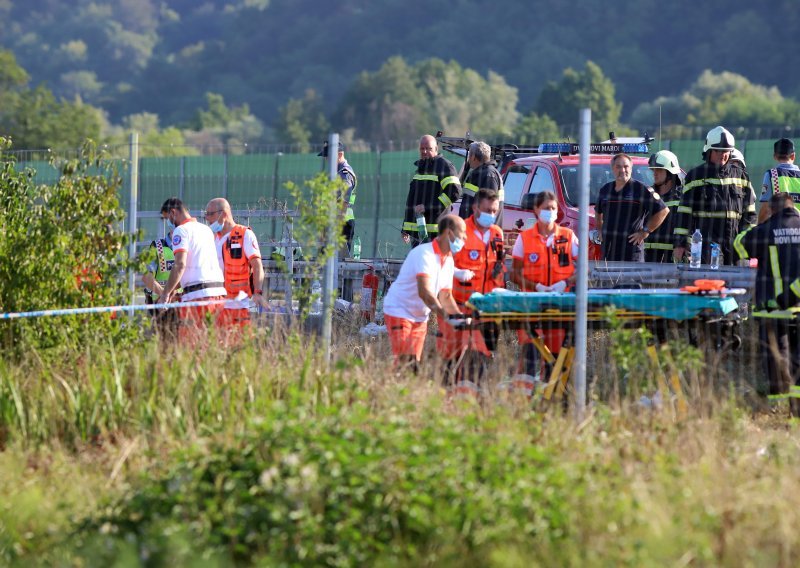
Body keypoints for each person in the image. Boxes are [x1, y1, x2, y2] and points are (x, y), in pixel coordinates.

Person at [734, 191, 800, 403]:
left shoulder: (765, 230)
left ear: (771, 209)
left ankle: (776, 403)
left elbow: (739, 245)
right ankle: (796, 409)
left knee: (774, 356)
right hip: (797, 307)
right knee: (797, 359)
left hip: (772, 308)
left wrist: (760, 222)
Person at [511, 191, 579, 380]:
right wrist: (537, 287)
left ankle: (555, 399)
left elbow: (582, 268)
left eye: (553, 208)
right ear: (536, 210)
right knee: (531, 355)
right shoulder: (524, 238)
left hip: (560, 306)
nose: (550, 212)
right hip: (532, 306)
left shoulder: (568, 236)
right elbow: (514, 274)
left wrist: (565, 283)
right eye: (546, 208)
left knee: (556, 359)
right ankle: (527, 399)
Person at [439, 188, 504, 384]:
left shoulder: (496, 233)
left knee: (483, 355)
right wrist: (457, 273)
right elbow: (442, 263)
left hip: (488, 308)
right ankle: (447, 393)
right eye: (487, 210)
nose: (491, 215)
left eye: (494, 211)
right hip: (460, 305)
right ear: (475, 207)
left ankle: (473, 392)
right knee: (453, 356)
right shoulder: (460, 230)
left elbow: (499, 264)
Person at [383, 215, 465, 369]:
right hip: (399, 311)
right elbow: (425, 293)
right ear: (449, 233)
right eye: (462, 233)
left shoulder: (448, 260)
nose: (465, 237)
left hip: (420, 318)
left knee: (412, 364)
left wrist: (459, 318)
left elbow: (446, 296)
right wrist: (447, 317)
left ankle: (399, 388)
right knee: (406, 362)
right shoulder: (424, 254)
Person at [673, 126, 757, 265]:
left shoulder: (741, 176)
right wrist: (680, 244)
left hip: (735, 245)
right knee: (709, 283)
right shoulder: (695, 176)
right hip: (706, 245)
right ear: (709, 150)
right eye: (718, 151)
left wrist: (748, 243)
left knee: (735, 285)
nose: (722, 155)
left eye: (726, 151)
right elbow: (684, 212)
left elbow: (750, 213)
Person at [156, 197, 227, 345]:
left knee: (191, 348)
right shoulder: (206, 230)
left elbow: (180, 265)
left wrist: (165, 294)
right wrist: (174, 289)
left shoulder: (181, 231)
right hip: (219, 296)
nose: (168, 223)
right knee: (214, 345)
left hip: (197, 299)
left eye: (166, 218)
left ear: (173, 213)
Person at [206, 198, 268, 336]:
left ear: (223, 214)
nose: (207, 218)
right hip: (215, 305)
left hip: (238, 305)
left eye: (210, 214)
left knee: (239, 345)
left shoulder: (245, 235)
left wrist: (257, 292)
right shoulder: (211, 238)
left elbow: (257, 266)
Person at [595, 153, 669, 262]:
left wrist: (645, 232)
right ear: (612, 169)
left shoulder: (641, 189)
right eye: (618, 167)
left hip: (631, 252)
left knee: (631, 280)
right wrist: (600, 230)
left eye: (626, 166)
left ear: (631, 168)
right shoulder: (605, 189)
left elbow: (663, 210)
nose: (622, 170)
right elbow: (598, 212)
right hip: (609, 251)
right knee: (608, 279)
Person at [401, 135, 462, 247]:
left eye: (428, 148)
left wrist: (428, 207)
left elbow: (454, 192)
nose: (424, 151)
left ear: (436, 149)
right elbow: (412, 199)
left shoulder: (444, 166)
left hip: (437, 234)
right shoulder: (420, 169)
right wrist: (406, 227)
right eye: (422, 148)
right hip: (418, 234)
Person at [318, 140, 358, 255]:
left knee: (339, 264)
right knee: (326, 261)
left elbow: (344, 202)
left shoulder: (344, 174)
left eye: (329, 157)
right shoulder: (336, 173)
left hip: (341, 224)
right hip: (332, 223)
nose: (326, 160)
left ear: (340, 155)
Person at [644, 150, 683, 263]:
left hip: (671, 258)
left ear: (670, 173)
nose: (655, 173)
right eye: (653, 170)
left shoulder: (682, 197)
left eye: (659, 170)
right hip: (647, 257)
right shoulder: (648, 194)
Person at [141, 231, 179, 338]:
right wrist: (165, 295)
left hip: (183, 304)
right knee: (163, 344)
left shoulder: (189, 246)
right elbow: (146, 276)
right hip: (160, 307)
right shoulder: (157, 247)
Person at [757, 138, 800, 223]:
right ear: (793, 156)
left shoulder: (772, 174)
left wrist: (759, 226)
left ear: (775, 156)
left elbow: (765, 207)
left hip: (779, 227)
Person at [457, 141, 502, 220]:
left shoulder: (488, 175)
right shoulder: (481, 174)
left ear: (473, 157)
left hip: (479, 230)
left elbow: (490, 206)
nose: (468, 159)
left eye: (469, 155)